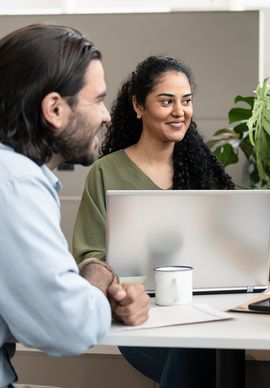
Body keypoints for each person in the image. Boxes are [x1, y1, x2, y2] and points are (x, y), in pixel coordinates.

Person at [0, 24, 149, 388]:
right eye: (97, 100)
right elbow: (68, 326)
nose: (107, 115)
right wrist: (97, 277)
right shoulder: (14, 181)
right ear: (54, 108)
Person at [72, 55, 234, 388]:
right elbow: (90, 257)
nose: (180, 112)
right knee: (196, 351)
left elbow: (230, 251)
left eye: (186, 101)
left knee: (204, 347)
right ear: (138, 105)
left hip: (206, 313)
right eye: (166, 101)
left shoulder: (203, 170)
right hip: (140, 317)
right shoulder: (106, 172)